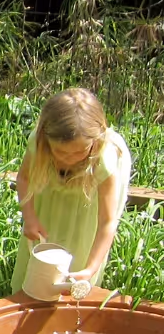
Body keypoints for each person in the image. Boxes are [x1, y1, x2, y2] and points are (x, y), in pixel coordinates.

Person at [12, 87, 132, 292]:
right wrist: (30, 217)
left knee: (79, 246)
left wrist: (91, 269)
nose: (68, 159)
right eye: (60, 152)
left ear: (94, 142)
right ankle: (31, 293)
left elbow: (107, 221)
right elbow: (24, 178)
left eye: (78, 152)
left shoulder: (104, 159)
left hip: (89, 203)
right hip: (51, 195)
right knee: (45, 242)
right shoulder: (39, 142)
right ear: (45, 139)